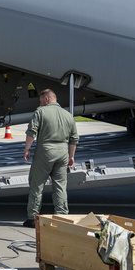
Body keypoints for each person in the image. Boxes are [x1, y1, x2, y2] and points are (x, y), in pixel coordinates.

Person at [23, 88, 78, 226]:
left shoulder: (40, 112)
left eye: (41, 100)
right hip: (63, 152)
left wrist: (27, 149)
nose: (40, 103)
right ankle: (62, 217)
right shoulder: (68, 115)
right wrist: (71, 156)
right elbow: (74, 139)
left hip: (46, 151)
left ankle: (33, 217)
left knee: (37, 185)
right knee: (60, 186)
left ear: (46, 99)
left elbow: (32, 132)